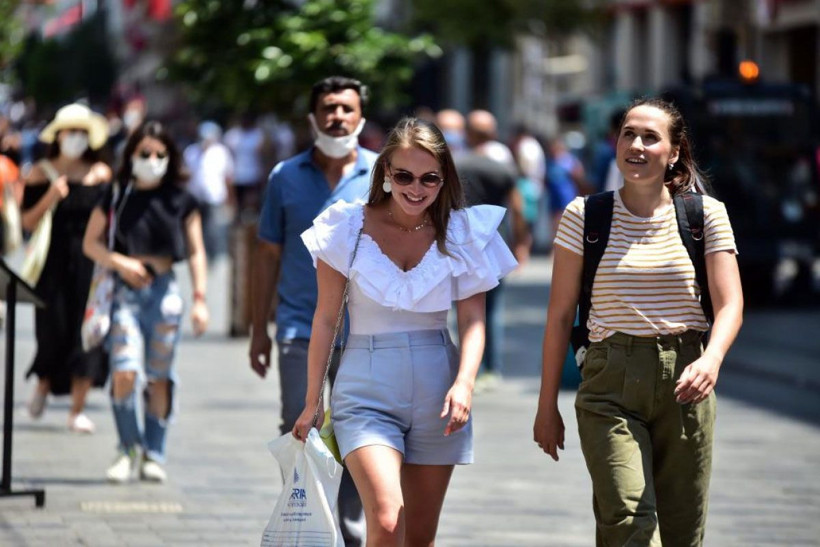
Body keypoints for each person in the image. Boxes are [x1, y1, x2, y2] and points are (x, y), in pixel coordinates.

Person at [293, 117, 517, 544]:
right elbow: (325, 318)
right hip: (364, 385)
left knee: (418, 536)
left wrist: (465, 383)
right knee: (387, 517)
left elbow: (472, 321)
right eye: (404, 176)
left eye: (430, 178)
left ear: (445, 177)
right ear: (385, 175)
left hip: (438, 385)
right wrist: (311, 401)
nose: (417, 188)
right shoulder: (346, 227)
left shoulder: (465, 231)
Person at [533, 98, 743, 545]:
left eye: (651, 137)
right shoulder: (584, 215)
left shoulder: (706, 215)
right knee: (628, 521)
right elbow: (558, 316)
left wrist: (713, 360)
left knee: (684, 531)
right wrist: (546, 404)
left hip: (686, 378)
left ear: (674, 151)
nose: (637, 145)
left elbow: (730, 304)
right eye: (629, 133)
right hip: (609, 381)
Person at [249, 76, 374, 545]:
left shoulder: (384, 173)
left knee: (356, 432)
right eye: (328, 108)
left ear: (360, 117)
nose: (337, 116)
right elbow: (266, 255)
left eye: (346, 108)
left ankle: (350, 531)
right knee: (300, 426)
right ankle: (309, 530)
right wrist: (258, 329)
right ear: (312, 117)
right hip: (300, 325)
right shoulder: (285, 176)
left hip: (364, 330)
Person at [83, 120, 209, 483]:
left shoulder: (182, 199)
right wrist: (119, 261)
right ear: (131, 154)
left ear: (170, 158)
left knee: (159, 377)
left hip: (165, 294)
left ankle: (154, 452)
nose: (152, 160)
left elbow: (197, 251)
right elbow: (90, 243)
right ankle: (127, 447)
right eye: (145, 153)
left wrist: (200, 298)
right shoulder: (115, 193)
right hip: (125, 293)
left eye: (160, 154)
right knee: (124, 370)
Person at [22, 102, 112, 434]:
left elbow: (110, 223)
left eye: (82, 133)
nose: (75, 138)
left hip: (90, 263)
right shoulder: (39, 172)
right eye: (70, 132)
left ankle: (77, 409)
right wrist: (50, 197)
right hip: (52, 263)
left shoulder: (100, 174)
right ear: (57, 135)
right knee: (51, 328)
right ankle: (43, 384)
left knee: (87, 334)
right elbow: (26, 221)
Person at [456, 110, 530, 390]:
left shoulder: (457, 164)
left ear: (468, 133)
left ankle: (465, 367)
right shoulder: (502, 167)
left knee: (463, 307)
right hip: (496, 245)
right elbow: (519, 208)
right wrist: (522, 243)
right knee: (493, 308)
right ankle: (491, 368)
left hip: (461, 244)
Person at [183, 121, 234, 259]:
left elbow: (228, 176)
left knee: (212, 228)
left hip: (214, 196)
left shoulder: (221, 152)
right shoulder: (191, 151)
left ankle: (212, 255)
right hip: (194, 196)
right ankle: (196, 253)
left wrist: (230, 198)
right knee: (195, 227)